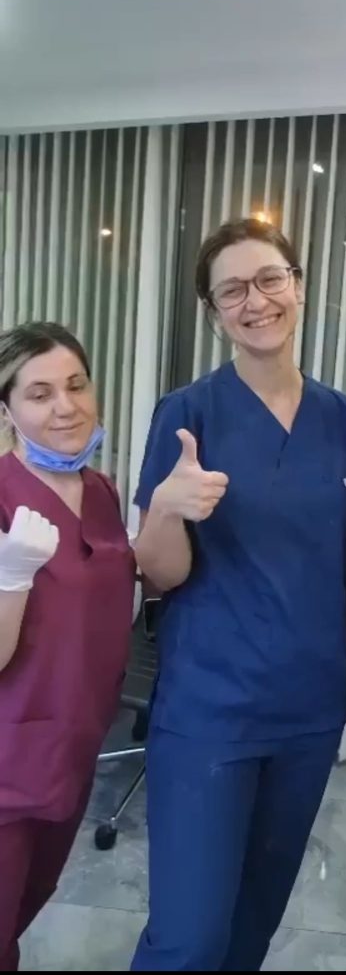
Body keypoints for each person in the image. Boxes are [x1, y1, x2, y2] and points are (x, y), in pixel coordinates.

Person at [131, 218, 346, 971]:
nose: (255, 301)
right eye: (232, 290)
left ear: (299, 286)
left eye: (269, 279)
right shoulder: (188, 413)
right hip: (211, 712)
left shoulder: (341, 419)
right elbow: (159, 573)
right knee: (189, 938)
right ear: (213, 311)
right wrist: (168, 510)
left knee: (251, 926)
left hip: (309, 713)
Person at [0, 321, 135, 971]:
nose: (65, 407)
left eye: (76, 385)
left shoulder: (102, 493)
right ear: (7, 411)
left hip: (73, 753)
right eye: (40, 393)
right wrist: (11, 576)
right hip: (8, 763)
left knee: (26, 906)